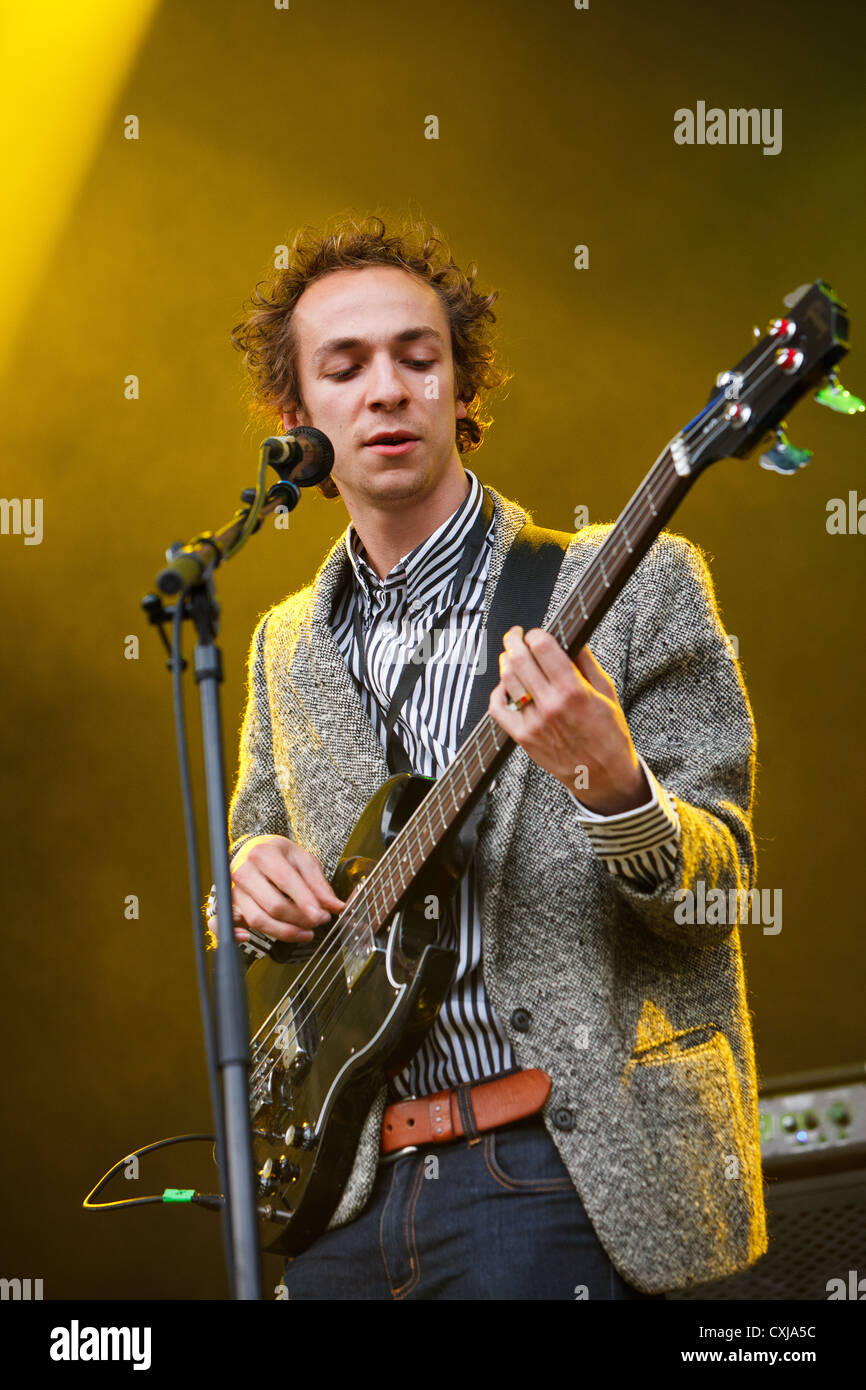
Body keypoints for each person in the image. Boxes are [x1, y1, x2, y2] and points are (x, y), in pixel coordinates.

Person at [208, 214, 767, 1299]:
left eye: (419, 358)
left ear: (463, 389)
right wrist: (245, 885)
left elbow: (719, 891)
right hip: (346, 1193)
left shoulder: (638, 582)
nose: (387, 389)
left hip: (560, 1172)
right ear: (295, 419)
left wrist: (614, 789)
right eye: (346, 366)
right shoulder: (284, 642)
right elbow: (254, 845)